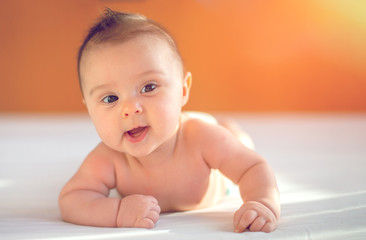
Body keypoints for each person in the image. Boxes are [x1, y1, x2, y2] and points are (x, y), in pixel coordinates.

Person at [58, 8, 280, 233]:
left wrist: (262, 203)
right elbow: (72, 199)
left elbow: (253, 167)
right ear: (89, 108)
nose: (129, 109)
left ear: (183, 90)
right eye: (110, 98)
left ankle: (229, 127)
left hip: (216, 161)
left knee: (236, 140)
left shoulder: (201, 139)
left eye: (148, 87)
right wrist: (117, 212)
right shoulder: (109, 158)